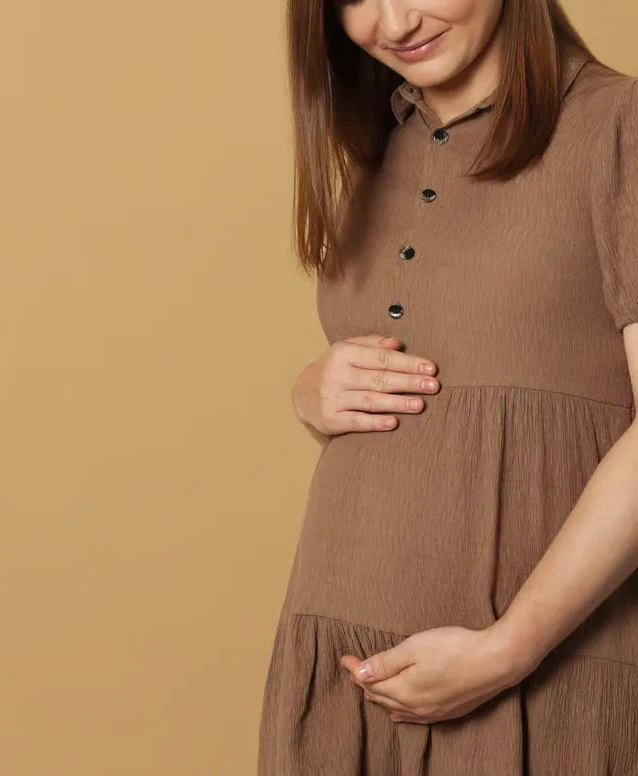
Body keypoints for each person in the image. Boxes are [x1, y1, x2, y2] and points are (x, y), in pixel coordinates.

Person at [258, 1, 638, 773]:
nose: (393, 22)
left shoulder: (618, 124)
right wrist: (310, 392)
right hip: (340, 670)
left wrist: (510, 646)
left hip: (539, 674)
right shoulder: (379, 145)